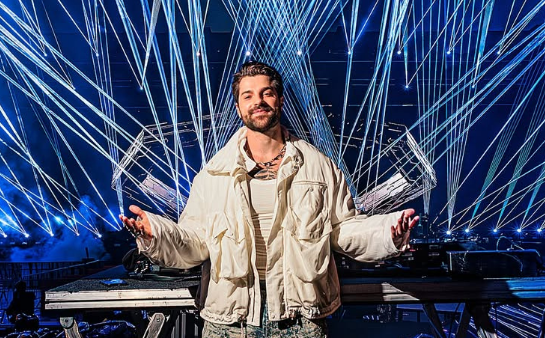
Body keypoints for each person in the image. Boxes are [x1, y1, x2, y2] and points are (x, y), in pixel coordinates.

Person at [121, 61, 419, 337]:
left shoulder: (319, 167)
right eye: (248, 95)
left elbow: (345, 230)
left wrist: (388, 233)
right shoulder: (213, 175)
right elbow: (194, 243)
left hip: (300, 319)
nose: (258, 101)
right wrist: (156, 234)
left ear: (280, 100)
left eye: (267, 93)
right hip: (230, 320)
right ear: (238, 107)